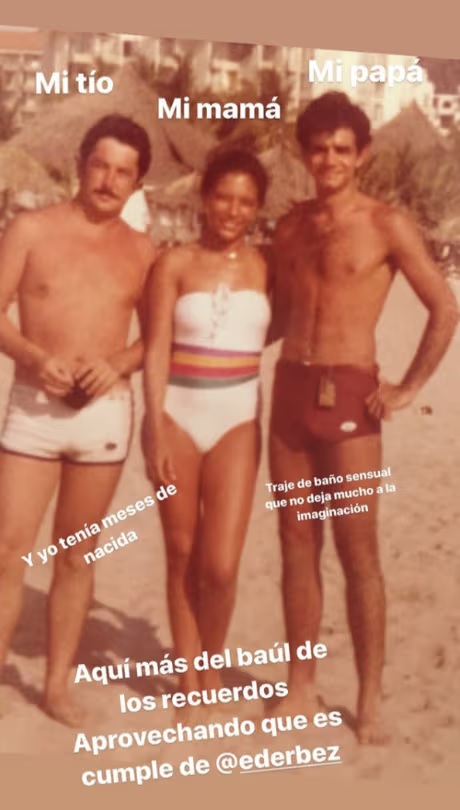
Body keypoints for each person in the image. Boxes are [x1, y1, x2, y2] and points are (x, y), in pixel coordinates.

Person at [269, 92, 458, 744]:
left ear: (362, 154)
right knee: (296, 542)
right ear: (304, 153)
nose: (330, 160)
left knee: (358, 553)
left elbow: (445, 308)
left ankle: (369, 701)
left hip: (351, 395)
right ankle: (300, 687)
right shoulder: (290, 227)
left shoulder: (386, 224)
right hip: (290, 391)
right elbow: (273, 317)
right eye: (319, 149)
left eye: (342, 149)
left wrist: (409, 386)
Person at [0, 114, 156, 726]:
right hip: (33, 410)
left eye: (123, 172)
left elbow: (157, 338)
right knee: (8, 549)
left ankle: (57, 688)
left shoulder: (142, 251)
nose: (109, 181)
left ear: (136, 182)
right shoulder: (31, 229)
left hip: (103, 415)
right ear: (80, 164)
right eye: (101, 165)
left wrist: (117, 363)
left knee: (75, 556)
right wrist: (35, 357)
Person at [142, 149, 271, 710]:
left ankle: (211, 664)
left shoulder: (267, 267)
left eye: (246, 201)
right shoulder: (173, 263)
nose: (232, 210)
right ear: (205, 197)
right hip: (177, 413)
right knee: (181, 551)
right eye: (223, 197)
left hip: (238, 420)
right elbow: (155, 350)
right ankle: (188, 677)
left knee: (219, 565)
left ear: (258, 207)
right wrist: (152, 426)